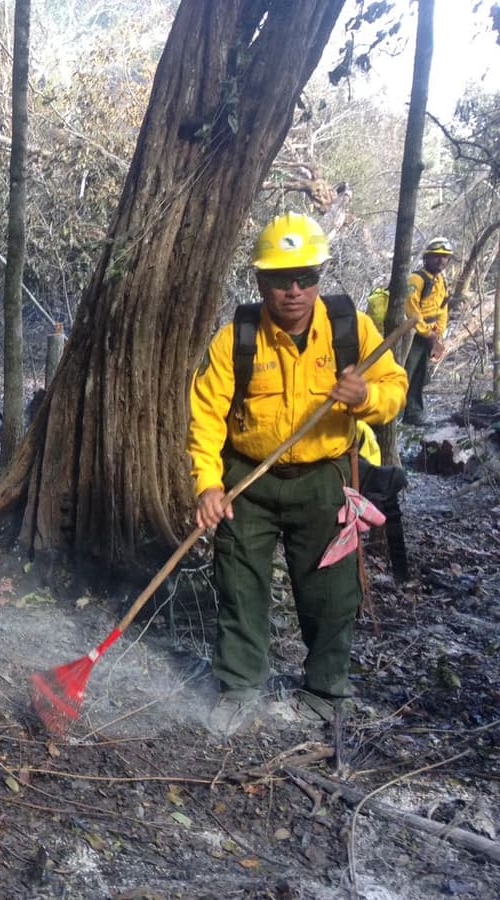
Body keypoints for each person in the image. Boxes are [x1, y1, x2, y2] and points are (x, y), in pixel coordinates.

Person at [187, 213, 408, 737]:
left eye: (306, 277)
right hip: (249, 480)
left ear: (319, 276)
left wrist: (367, 398)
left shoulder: (352, 329)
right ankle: (240, 688)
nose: (294, 290)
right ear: (260, 281)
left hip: (325, 478)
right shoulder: (236, 339)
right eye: (281, 279)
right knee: (240, 585)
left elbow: (395, 386)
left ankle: (326, 691)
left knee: (331, 592)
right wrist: (208, 484)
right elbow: (205, 415)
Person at [402, 236, 453, 426]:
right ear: (427, 258)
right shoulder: (416, 279)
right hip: (412, 335)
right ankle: (393, 415)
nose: (441, 261)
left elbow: (442, 308)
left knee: (420, 375)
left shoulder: (441, 280)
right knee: (405, 373)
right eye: (437, 256)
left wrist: (439, 335)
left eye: (445, 257)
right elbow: (411, 309)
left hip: (429, 335)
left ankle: (413, 414)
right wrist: (427, 333)